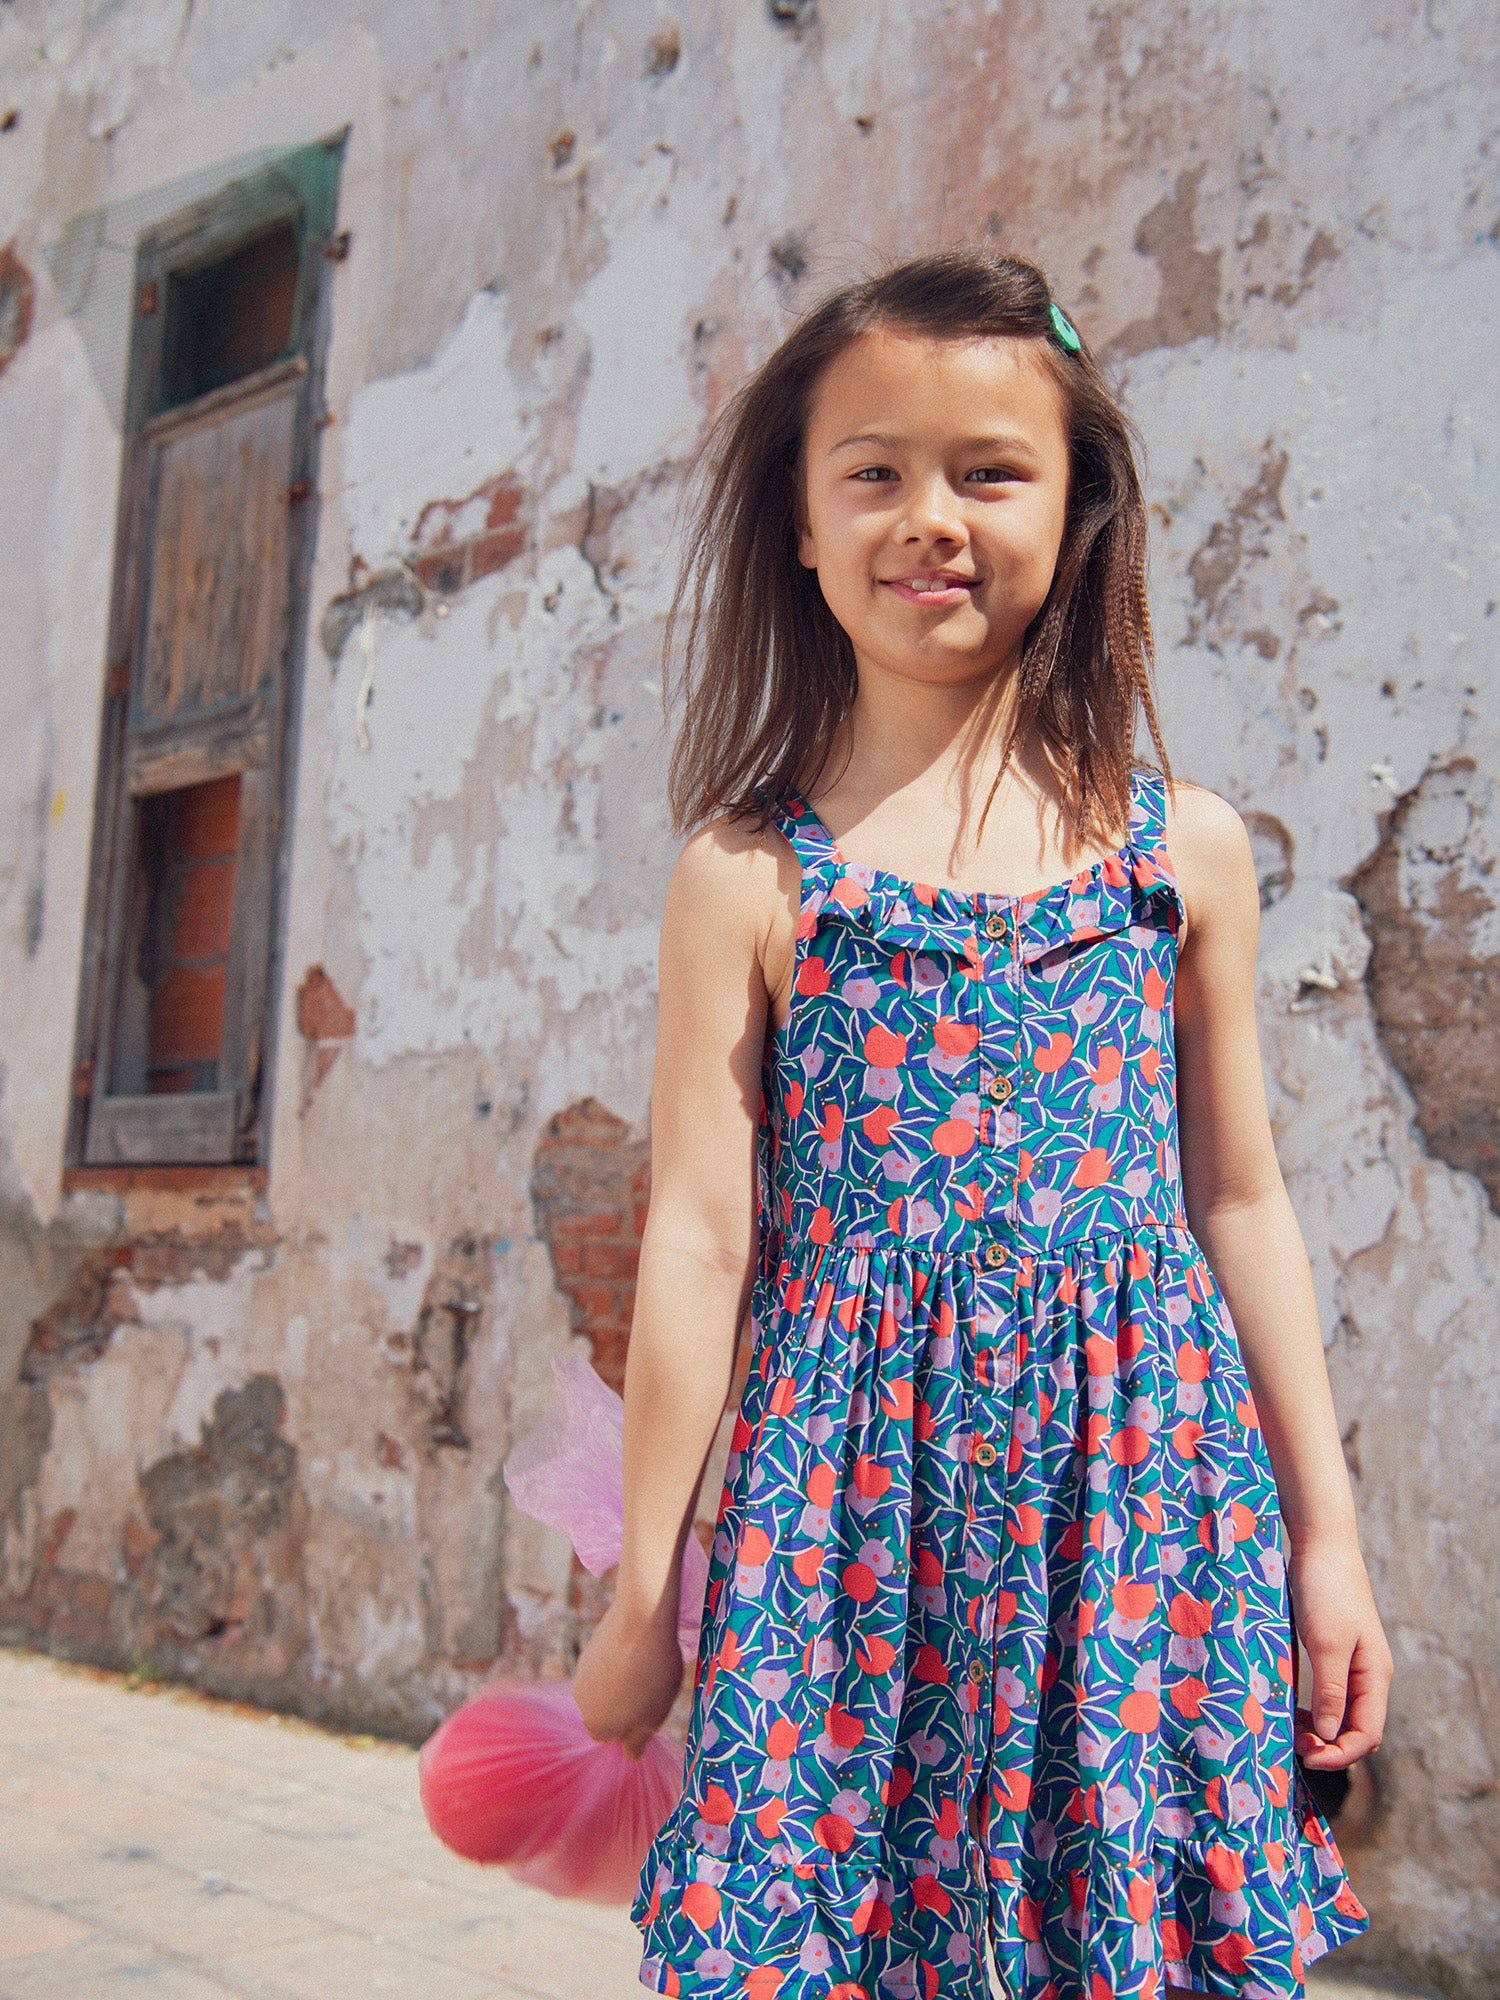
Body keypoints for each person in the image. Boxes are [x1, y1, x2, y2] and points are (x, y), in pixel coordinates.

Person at [572, 250, 1390, 2000]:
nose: (930, 518)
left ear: (1076, 511)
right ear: (801, 524)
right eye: (873, 470)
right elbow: (702, 1241)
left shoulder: (1186, 853)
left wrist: (1327, 1538)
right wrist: (647, 1594)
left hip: (1140, 1519)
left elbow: (1240, 1198)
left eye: (991, 471)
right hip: (846, 1530)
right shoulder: (748, 877)